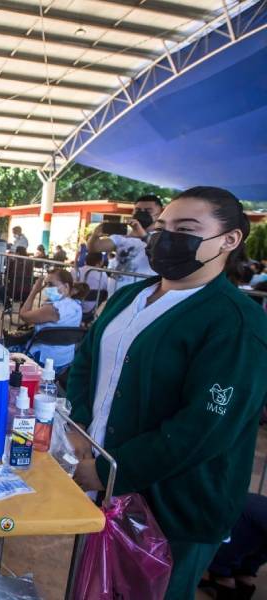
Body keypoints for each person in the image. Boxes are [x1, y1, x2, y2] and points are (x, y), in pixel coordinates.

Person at [67, 186, 267, 600]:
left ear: (230, 240)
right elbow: (87, 362)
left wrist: (107, 472)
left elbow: (205, 427)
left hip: (176, 506)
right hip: (101, 478)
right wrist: (80, 431)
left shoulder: (235, 321)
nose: (167, 236)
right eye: (162, 227)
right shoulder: (129, 297)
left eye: (187, 228)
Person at [88, 194, 163, 292]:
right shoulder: (123, 236)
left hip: (141, 295)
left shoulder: (162, 236)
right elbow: (94, 248)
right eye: (138, 210)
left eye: (148, 211)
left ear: (160, 214)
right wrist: (95, 235)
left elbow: (162, 252)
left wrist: (143, 236)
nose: (142, 213)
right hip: (115, 293)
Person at [201, 493, 267, 600]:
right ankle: (232, 580)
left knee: (228, 561)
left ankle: (225, 580)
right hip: (248, 515)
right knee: (239, 566)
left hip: (247, 512)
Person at [18, 269, 86, 369]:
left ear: (66, 287)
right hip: (65, 361)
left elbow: (24, 315)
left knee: (3, 345)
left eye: (51, 284)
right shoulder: (77, 306)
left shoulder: (53, 309)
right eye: (46, 284)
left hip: (42, 360)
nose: (47, 288)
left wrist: (34, 291)